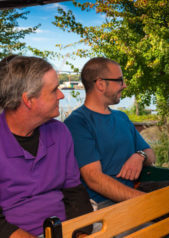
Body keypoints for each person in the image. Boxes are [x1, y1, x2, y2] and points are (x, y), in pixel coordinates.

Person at [0, 55, 92, 238]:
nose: (61, 95)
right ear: (28, 100)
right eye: (54, 90)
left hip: (65, 230)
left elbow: (74, 192)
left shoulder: (60, 132)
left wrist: (80, 233)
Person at [64, 57, 155, 209]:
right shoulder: (77, 123)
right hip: (102, 207)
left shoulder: (122, 118)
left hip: (133, 198)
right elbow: (94, 179)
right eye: (119, 80)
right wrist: (148, 202)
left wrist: (139, 156)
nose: (124, 85)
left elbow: (150, 154)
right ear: (100, 84)